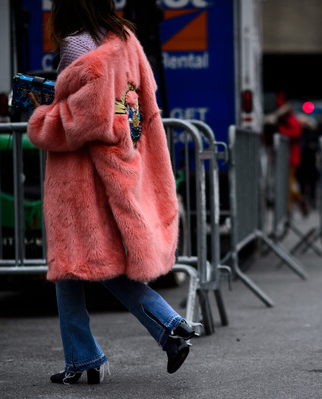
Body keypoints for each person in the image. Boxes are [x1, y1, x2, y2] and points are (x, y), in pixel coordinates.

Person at [27, 0, 197, 385]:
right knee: (71, 267)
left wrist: (43, 115)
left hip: (80, 177)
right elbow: (137, 107)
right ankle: (83, 357)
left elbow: (88, 117)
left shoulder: (75, 45)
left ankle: (169, 325)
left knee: (90, 263)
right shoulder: (126, 41)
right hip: (116, 168)